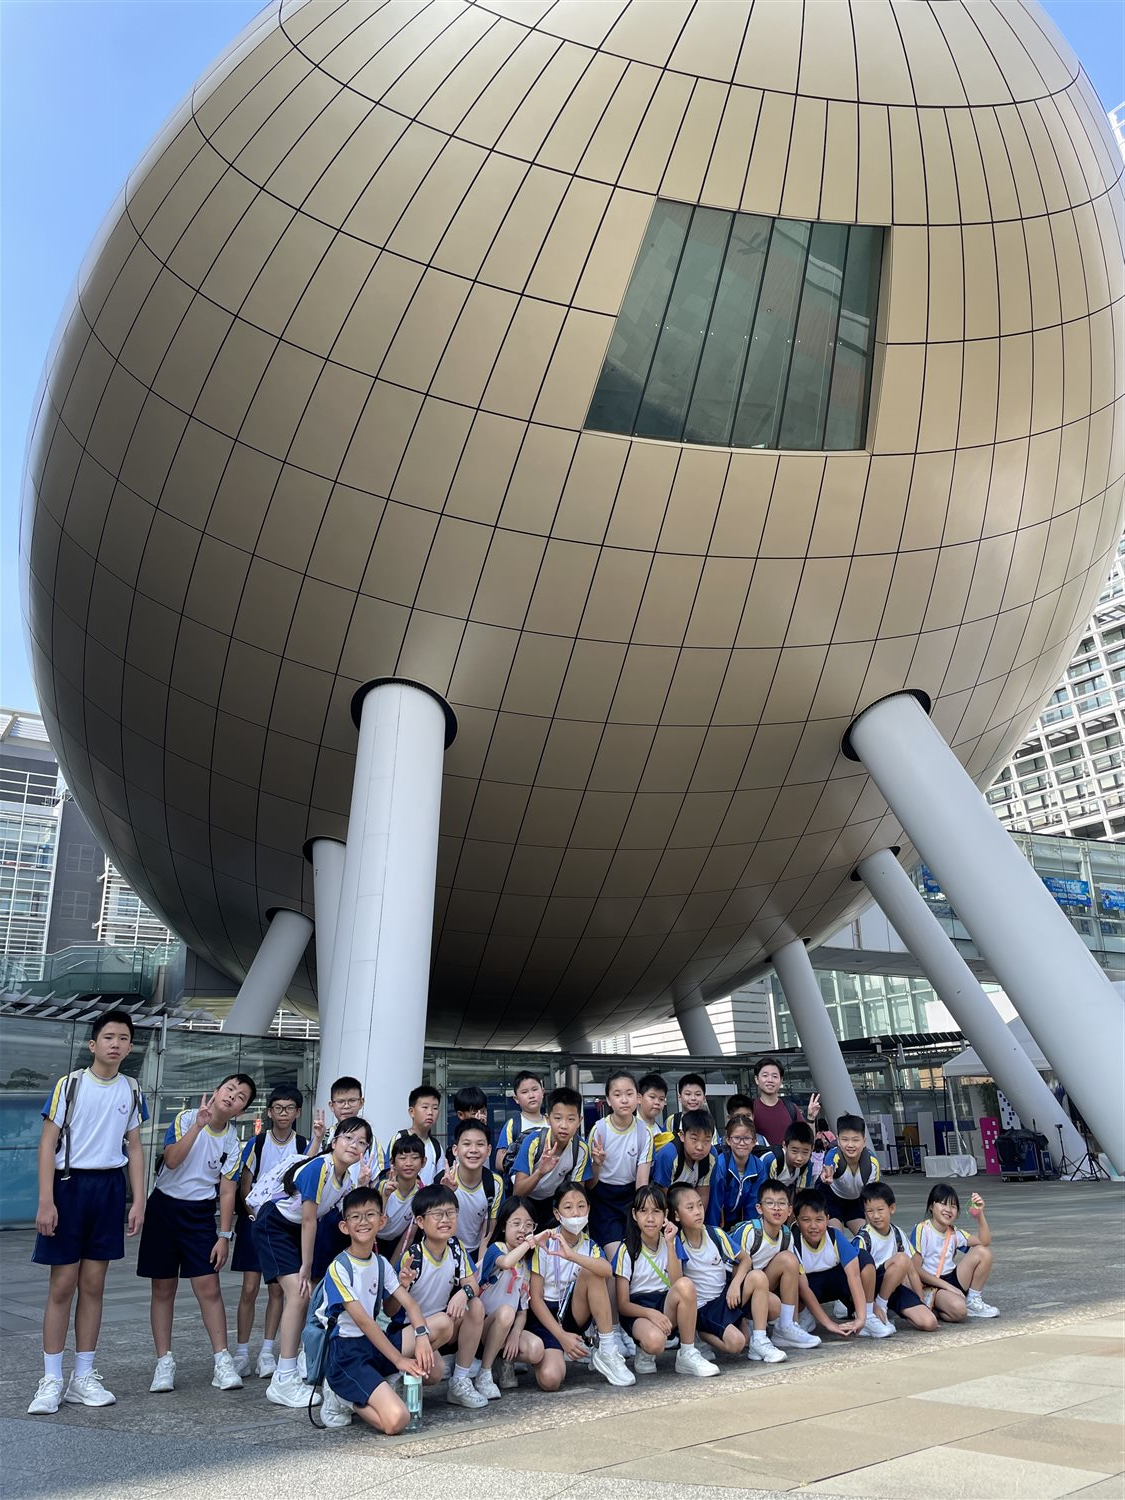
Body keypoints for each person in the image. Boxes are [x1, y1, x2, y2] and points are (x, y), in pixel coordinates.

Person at [28, 1010, 148, 1415]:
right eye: (109, 1037)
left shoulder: (132, 1088)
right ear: (93, 1044)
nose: (116, 1044)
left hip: (109, 1189)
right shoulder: (71, 1084)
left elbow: (134, 1147)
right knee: (63, 1285)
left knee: (94, 1285)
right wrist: (46, 1200)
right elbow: (47, 1144)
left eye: (124, 1038)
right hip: (69, 1186)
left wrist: (139, 1201)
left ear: (130, 1048)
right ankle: (51, 1378)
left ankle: (83, 1377)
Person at [138, 1073, 257, 1394]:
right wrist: (198, 1126)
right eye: (229, 1089)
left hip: (200, 1215)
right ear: (217, 1091)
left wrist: (224, 1235)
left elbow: (228, 1191)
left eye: (241, 1097)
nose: (232, 1096)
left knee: (209, 1288)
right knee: (163, 1288)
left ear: (242, 1111)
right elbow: (171, 1161)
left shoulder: (233, 1142)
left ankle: (222, 1361)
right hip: (164, 1208)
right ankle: (164, 1363)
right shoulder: (185, 1118)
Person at [253, 1116, 373, 1407]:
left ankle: (291, 1369)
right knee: (298, 1294)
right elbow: (309, 1220)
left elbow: (335, 1218)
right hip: (274, 1225)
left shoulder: (345, 1179)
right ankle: (283, 1378)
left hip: (292, 1230)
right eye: (348, 1138)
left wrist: (363, 1185)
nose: (354, 1145)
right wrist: (306, 1267)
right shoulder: (321, 1167)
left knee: (301, 1296)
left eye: (361, 1142)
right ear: (335, 1140)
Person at [316, 1184, 433, 1433]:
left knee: (436, 1367)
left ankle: (374, 1385)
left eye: (370, 1215)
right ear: (344, 1226)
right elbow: (364, 1322)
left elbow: (410, 1304)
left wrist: (422, 1336)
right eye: (355, 1217)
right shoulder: (338, 1268)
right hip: (347, 1352)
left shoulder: (380, 1263)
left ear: (382, 1221)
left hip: (373, 1346)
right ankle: (342, 1397)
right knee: (397, 1420)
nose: (363, 1222)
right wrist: (399, 1359)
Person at [232, 1084, 317, 1379]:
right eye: (278, 1108)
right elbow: (245, 1184)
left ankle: (268, 1351)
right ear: (269, 1112)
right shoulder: (257, 1143)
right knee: (249, 1287)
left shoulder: (303, 1144)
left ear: (298, 1112)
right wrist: (253, 1214)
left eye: (289, 1108)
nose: (283, 1113)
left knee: (278, 1289)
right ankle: (241, 1352)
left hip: (284, 1225)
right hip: (254, 1220)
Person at [526, 1179, 634, 1390]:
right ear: (557, 1214)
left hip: (572, 1312)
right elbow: (536, 1299)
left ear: (589, 1209)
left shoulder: (590, 1245)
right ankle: (563, 1348)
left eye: (581, 1206)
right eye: (568, 1207)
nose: (576, 1213)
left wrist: (572, 1256)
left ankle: (607, 1350)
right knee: (550, 1380)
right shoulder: (544, 1243)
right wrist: (561, 1337)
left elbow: (607, 1270)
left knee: (592, 1271)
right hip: (546, 1316)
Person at [390, 1183, 488, 1409]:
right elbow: (390, 1310)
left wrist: (463, 1293)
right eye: (437, 1214)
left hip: (437, 1331)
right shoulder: (413, 1256)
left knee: (475, 1306)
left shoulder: (456, 1248)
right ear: (420, 1221)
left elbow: (473, 1284)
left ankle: (460, 1381)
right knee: (443, 1327)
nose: (445, 1219)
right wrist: (402, 1286)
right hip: (405, 1333)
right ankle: (392, 1375)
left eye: (450, 1212)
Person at [667, 1182, 781, 1363]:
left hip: (725, 1296)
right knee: (737, 1343)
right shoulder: (677, 1243)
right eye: (690, 1208)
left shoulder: (715, 1234)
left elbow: (745, 1259)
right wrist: (670, 1243)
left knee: (767, 1293)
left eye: (699, 1205)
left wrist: (735, 1285)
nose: (697, 1211)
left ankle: (759, 1340)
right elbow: (675, 1282)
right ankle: (699, 1333)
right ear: (676, 1215)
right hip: (704, 1308)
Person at [613, 1185, 716, 1378]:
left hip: (665, 1302)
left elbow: (677, 1284)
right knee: (655, 1342)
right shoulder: (627, 1249)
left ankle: (687, 1352)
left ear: (665, 1215)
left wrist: (669, 1244)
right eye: (643, 1211)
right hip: (639, 1309)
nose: (650, 1218)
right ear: (634, 1215)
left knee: (686, 1284)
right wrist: (650, 1314)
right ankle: (644, 1351)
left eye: (656, 1211)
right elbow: (623, 1304)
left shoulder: (673, 1241)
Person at [790, 1187, 891, 1340]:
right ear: (796, 1220)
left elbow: (854, 1276)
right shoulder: (792, 1241)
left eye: (819, 1220)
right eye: (806, 1220)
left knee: (863, 1258)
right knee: (790, 1279)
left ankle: (869, 1316)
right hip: (808, 1289)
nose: (813, 1226)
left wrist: (861, 1318)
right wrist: (829, 1323)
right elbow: (804, 1289)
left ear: (827, 1218)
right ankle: (801, 1315)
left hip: (835, 1285)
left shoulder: (834, 1236)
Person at [737, 1180, 821, 1353]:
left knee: (789, 1260)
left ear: (789, 1210)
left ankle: (787, 1327)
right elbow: (732, 1274)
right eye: (770, 1203)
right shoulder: (749, 1231)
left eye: (782, 1203)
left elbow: (797, 1279)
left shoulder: (786, 1234)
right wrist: (740, 1320)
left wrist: (796, 1321)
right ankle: (746, 1321)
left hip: (760, 1288)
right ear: (759, 1208)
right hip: (736, 1293)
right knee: (740, 1340)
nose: (776, 1208)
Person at [475, 1197, 546, 1398]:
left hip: (507, 1327)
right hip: (480, 1327)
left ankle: (504, 1360)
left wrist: (515, 1334)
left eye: (529, 1225)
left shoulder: (526, 1265)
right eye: (516, 1223)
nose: (523, 1230)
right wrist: (531, 1242)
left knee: (536, 1349)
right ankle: (484, 1373)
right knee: (506, 1312)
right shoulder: (496, 1249)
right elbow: (506, 1263)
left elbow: (522, 1310)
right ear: (503, 1226)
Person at [313, 1076, 382, 1277]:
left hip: (357, 1214)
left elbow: (376, 1183)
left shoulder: (372, 1142)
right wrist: (317, 1139)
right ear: (331, 1105)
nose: (346, 1106)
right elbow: (307, 1166)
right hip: (326, 1213)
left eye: (352, 1101)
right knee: (320, 1273)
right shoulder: (325, 1135)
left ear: (361, 1102)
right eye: (340, 1102)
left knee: (355, 1271)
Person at [854, 1183, 937, 1333]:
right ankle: (877, 1309)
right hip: (870, 1291)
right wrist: (871, 1304)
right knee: (901, 1259)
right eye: (870, 1211)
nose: (876, 1216)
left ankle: (885, 1307)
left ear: (891, 1208)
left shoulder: (897, 1233)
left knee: (929, 1322)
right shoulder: (864, 1238)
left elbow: (912, 1272)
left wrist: (921, 1302)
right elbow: (856, 1276)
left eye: (880, 1210)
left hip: (893, 1288)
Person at [585, 1071, 652, 1254]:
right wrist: (597, 1164)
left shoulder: (644, 1132)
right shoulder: (599, 1130)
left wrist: (643, 1212)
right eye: (617, 1094)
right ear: (608, 1099)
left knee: (636, 1252)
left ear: (638, 1098)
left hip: (631, 1196)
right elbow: (590, 1184)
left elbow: (642, 1182)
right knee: (615, 1256)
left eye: (629, 1094)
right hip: (603, 1199)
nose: (624, 1100)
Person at [910, 1184, 998, 1320]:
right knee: (960, 1311)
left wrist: (980, 1215)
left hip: (953, 1278)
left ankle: (973, 1301)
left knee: (983, 1252)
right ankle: (938, 1308)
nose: (948, 1209)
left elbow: (984, 1241)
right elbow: (916, 1269)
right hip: (932, 1284)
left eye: (953, 1206)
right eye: (943, 1204)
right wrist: (948, 1287)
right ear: (931, 1206)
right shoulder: (922, 1229)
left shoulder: (954, 1232)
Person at [510, 1086, 589, 1229]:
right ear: (547, 1119)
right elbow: (518, 1192)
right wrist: (540, 1172)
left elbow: (576, 1193)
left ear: (579, 1121)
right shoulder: (533, 1142)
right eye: (558, 1118)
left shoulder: (580, 1148)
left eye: (571, 1119)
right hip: (526, 1202)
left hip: (552, 1203)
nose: (564, 1125)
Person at [444, 1119, 502, 1263]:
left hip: (476, 1251)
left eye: (480, 1144)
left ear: (489, 1150)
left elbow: (487, 1232)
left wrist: (478, 1268)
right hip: (446, 1251)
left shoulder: (494, 1183)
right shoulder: (444, 1180)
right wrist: (446, 1193)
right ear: (455, 1150)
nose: (473, 1150)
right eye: (467, 1144)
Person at [819, 1114, 881, 1232]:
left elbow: (872, 1195)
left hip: (855, 1201)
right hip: (830, 1198)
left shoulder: (872, 1164)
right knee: (836, 1235)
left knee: (865, 1234)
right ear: (838, 1140)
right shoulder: (833, 1155)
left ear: (864, 1141)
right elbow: (829, 1166)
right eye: (845, 1140)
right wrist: (827, 1174)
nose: (850, 1145)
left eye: (855, 1140)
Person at [706, 1111, 765, 1229]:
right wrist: (713, 1231)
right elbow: (714, 1202)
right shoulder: (721, 1164)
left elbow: (753, 1205)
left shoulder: (758, 1166)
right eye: (737, 1138)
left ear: (754, 1141)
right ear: (728, 1140)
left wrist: (750, 1231)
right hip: (717, 1220)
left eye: (747, 1138)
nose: (742, 1143)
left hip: (737, 1219)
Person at [652, 1108, 717, 1212]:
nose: (700, 1147)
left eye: (706, 1140)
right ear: (682, 1136)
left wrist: (698, 1217)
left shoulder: (711, 1156)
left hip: (688, 1204)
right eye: (694, 1139)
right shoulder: (669, 1154)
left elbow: (703, 1193)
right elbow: (662, 1195)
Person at [375, 1133, 426, 1260]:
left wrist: (394, 1268)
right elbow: (372, 1223)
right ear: (392, 1162)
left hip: (396, 1242)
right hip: (372, 1239)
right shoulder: (382, 1186)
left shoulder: (421, 1192)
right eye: (402, 1158)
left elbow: (409, 1236)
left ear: (423, 1161)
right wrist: (385, 1196)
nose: (409, 1163)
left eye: (415, 1158)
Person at [751, 1058, 819, 1150]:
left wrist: (811, 1118)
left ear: (781, 1080)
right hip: (760, 1159)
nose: (770, 1080)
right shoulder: (750, 1110)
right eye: (765, 1075)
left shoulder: (791, 1108)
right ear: (757, 1079)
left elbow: (807, 1141)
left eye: (774, 1076)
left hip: (787, 1159)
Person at [389, 1086, 443, 1186]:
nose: (430, 1112)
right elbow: (387, 1171)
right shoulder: (399, 1138)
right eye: (425, 1107)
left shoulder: (436, 1146)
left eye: (435, 1108)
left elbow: (440, 1178)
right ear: (412, 1112)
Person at [494, 1072, 546, 1175]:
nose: (531, 1095)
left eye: (535, 1089)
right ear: (516, 1099)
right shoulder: (513, 1125)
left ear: (543, 1092)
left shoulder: (552, 1122)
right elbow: (499, 1163)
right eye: (524, 1092)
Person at [757, 1120, 816, 1193]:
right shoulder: (771, 1161)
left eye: (805, 1152)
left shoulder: (807, 1164)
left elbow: (799, 1191)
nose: (799, 1158)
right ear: (785, 1145)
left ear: (812, 1149)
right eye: (794, 1151)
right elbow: (764, 1191)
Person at [667, 1074, 718, 1143]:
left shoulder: (708, 1122)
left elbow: (714, 1147)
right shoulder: (672, 1120)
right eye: (688, 1094)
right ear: (679, 1097)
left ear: (704, 1098)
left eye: (698, 1094)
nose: (693, 1098)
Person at [636, 1073, 668, 1147]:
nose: (657, 1102)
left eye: (661, 1099)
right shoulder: (628, 1128)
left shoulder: (662, 1132)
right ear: (639, 1098)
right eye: (652, 1097)